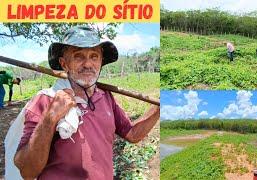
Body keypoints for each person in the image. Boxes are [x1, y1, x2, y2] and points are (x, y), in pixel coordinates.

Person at [13, 26, 160, 179]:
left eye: (94, 56)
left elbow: (133, 134)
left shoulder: (105, 96)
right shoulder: (47, 100)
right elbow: (27, 172)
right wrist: (50, 118)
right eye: (78, 56)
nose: (88, 64)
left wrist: (158, 109)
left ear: (101, 61)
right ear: (64, 64)